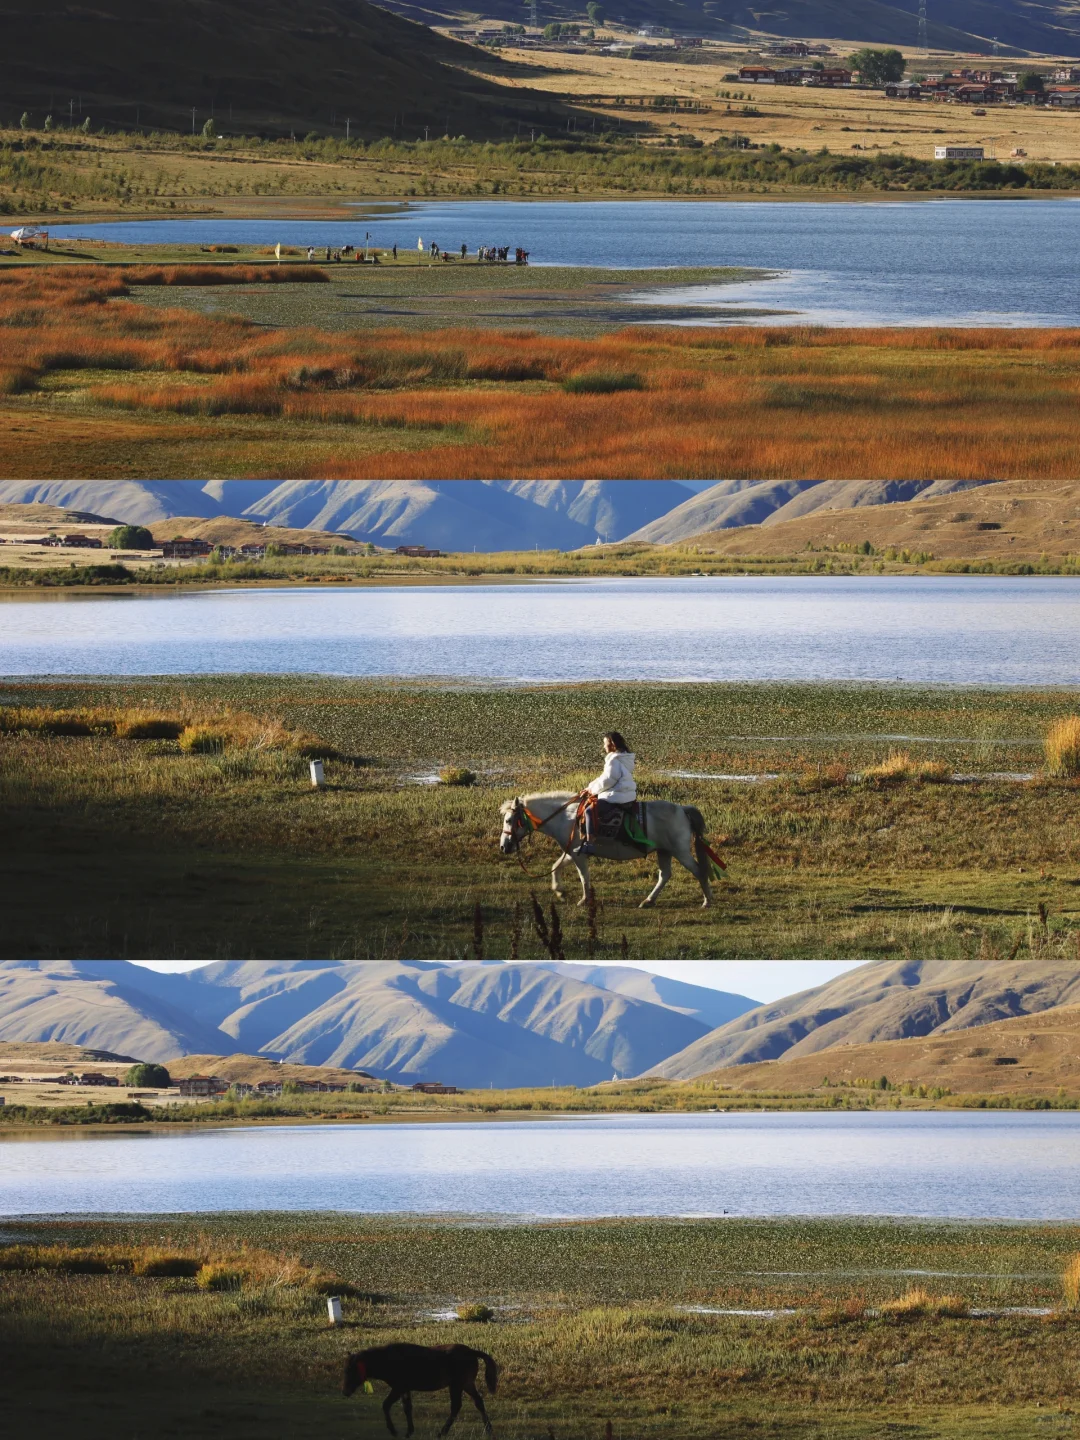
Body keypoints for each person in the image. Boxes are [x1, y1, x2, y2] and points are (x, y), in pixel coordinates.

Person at [575, 732, 636, 855]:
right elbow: (603, 778)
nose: (604, 746)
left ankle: (590, 843)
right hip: (625, 794)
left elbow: (608, 781)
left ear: (612, 744)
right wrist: (589, 788)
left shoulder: (614, 760)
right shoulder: (621, 758)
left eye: (605, 743)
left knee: (590, 811)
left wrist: (591, 791)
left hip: (618, 796)